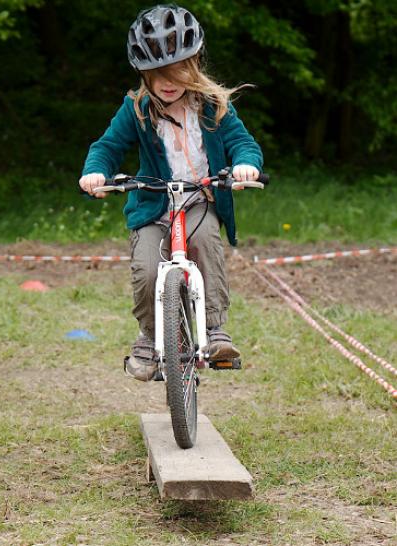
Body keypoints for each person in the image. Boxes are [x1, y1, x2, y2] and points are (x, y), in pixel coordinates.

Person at [79, 4, 263, 381]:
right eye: (157, 72)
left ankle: (214, 331)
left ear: (193, 65)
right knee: (147, 269)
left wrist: (246, 164)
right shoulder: (137, 109)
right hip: (153, 205)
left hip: (198, 200)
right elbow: (107, 147)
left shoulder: (211, 107)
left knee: (208, 243)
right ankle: (149, 338)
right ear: (143, 72)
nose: (168, 80)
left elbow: (243, 143)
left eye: (177, 69)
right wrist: (95, 172)